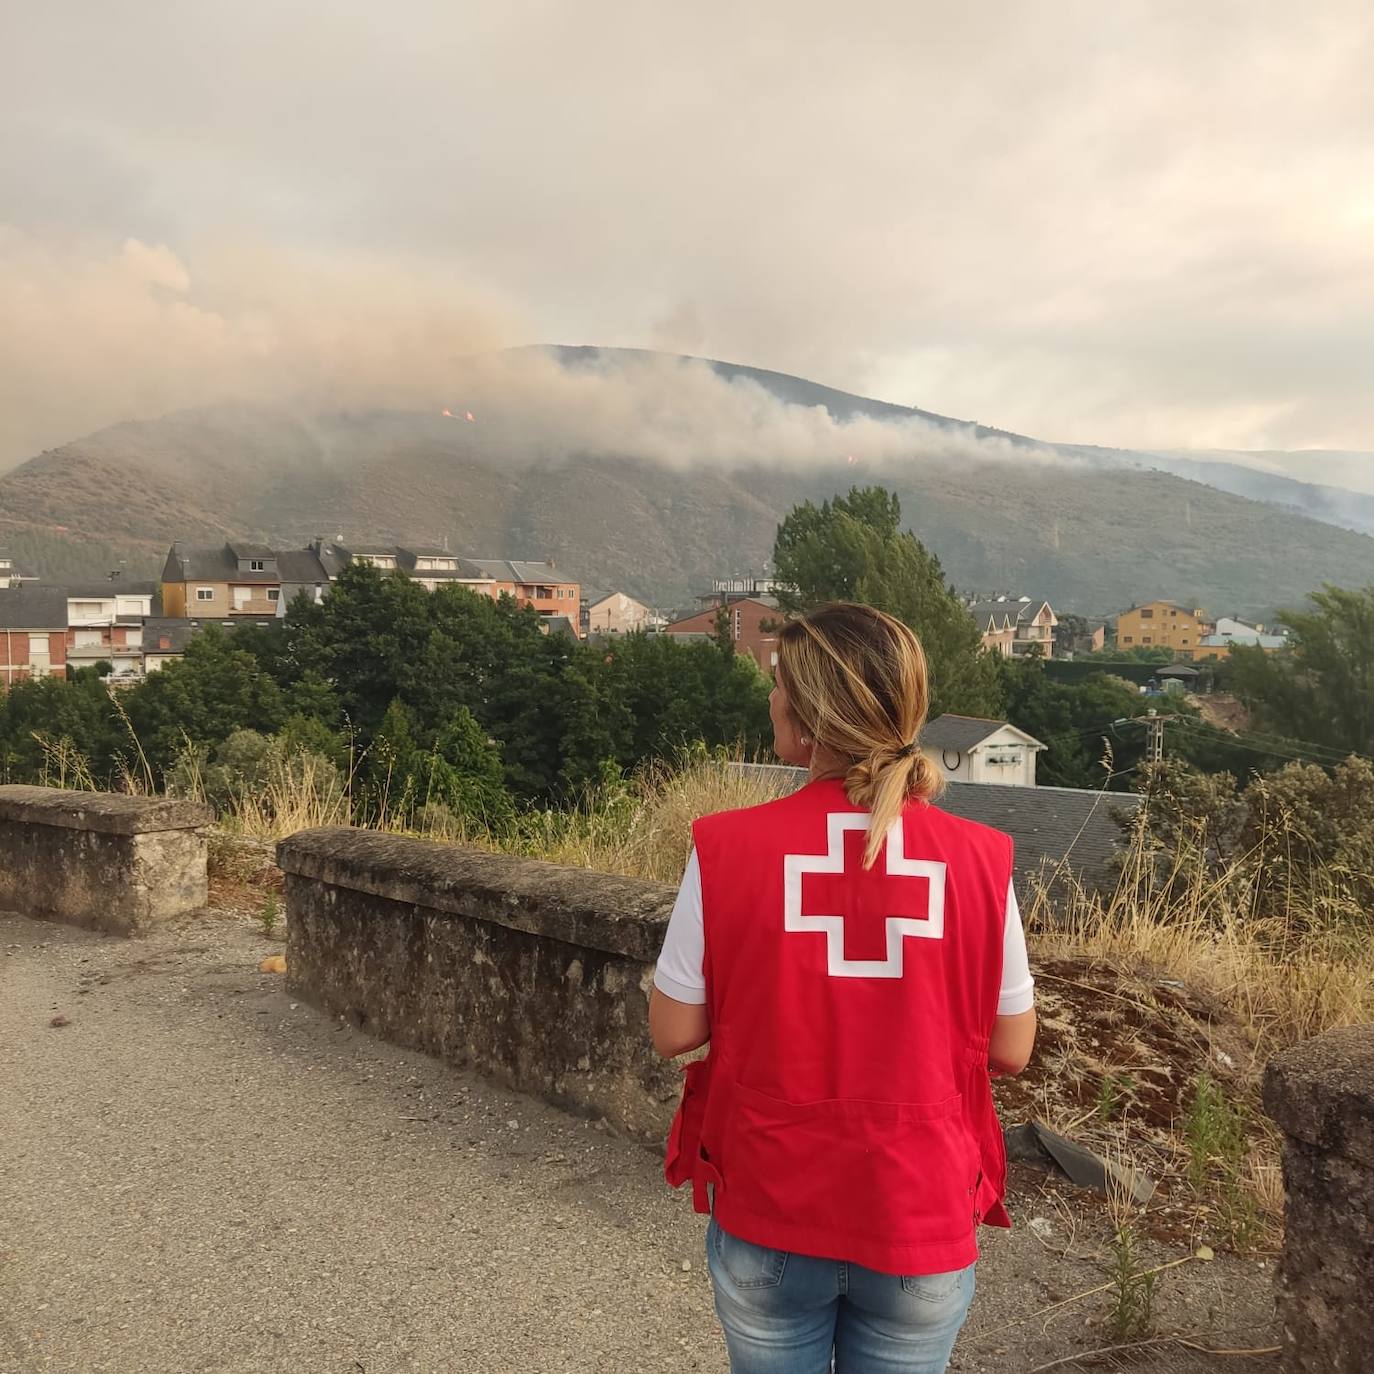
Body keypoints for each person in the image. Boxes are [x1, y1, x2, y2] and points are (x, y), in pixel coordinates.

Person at [648, 602, 1037, 1374]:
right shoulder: (980, 859)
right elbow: (1011, 1049)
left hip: (772, 1206)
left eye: (778, 685)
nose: (770, 698)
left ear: (806, 719)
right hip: (920, 1216)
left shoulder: (726, 847)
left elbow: (674, 1032)